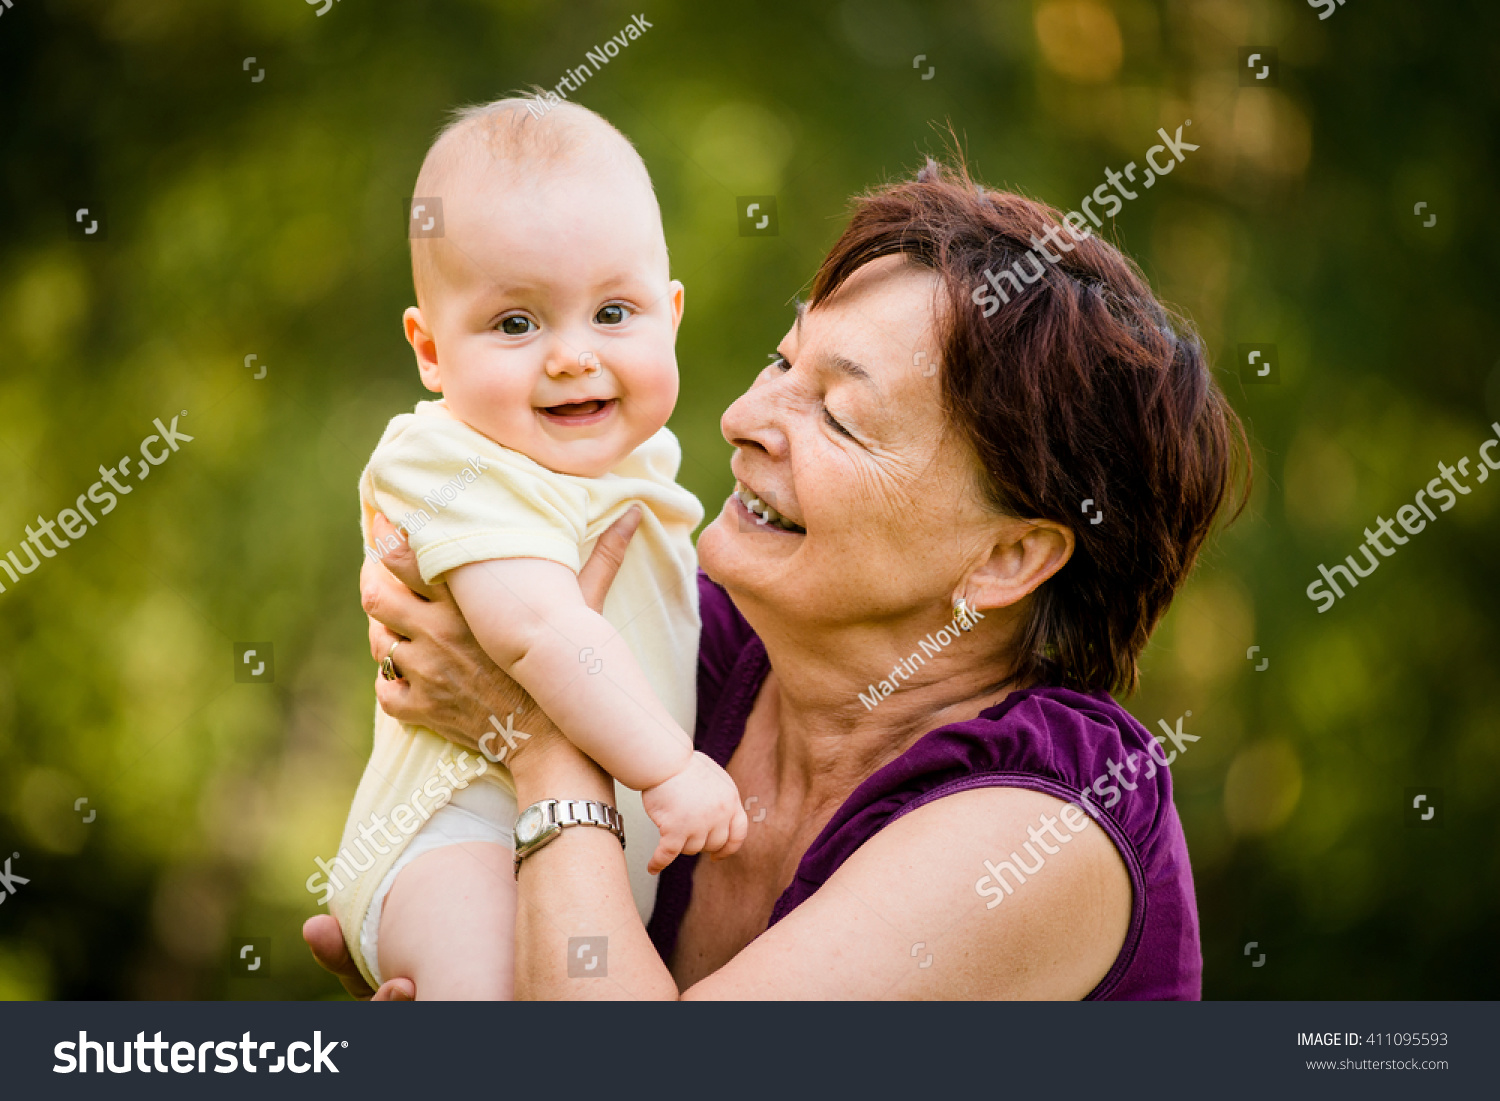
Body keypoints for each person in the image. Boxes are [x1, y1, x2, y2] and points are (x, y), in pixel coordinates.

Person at [307, 156, 1249, 1000]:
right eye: (781, 359)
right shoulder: (696, 647)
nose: (744, 417)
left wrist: (546, 743)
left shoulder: (1045, 826)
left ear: (1007, 557)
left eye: (838, 416)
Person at [327, 97, 745, 1000]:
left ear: (671, 314)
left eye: (614, 311)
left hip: (571, 851)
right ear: (431, 350)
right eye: (516, 324)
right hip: (456, 842)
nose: (571, 356)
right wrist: (670, 768)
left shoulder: (637, 461)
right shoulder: (451, 459)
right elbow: (539, 632)